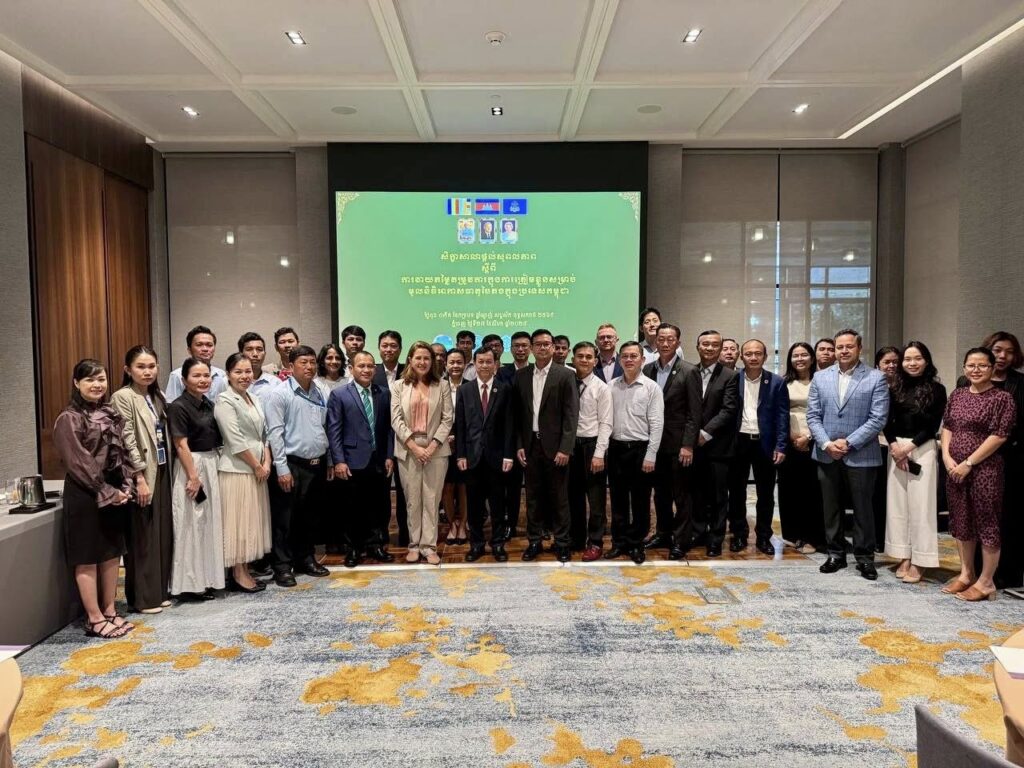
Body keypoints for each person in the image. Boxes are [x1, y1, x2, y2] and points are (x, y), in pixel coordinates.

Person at [53, 359, 134, 638]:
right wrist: (107, 491)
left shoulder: (108, 412)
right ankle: (94, 618)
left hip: (112, 490)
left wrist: (125, 484)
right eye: (89, 379)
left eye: (101, 379)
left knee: (111, 553)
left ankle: (109, 610)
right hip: (85, 492)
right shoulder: (69, 418)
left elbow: (120, 452)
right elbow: (79, 463)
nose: (97, 384)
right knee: (87, 556)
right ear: (76, 383)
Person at [807, 329, 890, 581]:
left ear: (859, 348)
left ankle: (865, 558)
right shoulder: (820, 377)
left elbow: (878, 418)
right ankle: (835, 553)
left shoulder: (876, 377)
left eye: (849, 346)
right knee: (831, 507)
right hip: (827, 453)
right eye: (839, 347)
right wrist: (826, 443)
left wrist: (849, 443)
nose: (843, 351)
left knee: (863, 508)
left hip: (861, 454)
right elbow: (813, 415)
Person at [941, 347, 1016, 601]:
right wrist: (947, 457)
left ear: (992, 368)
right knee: (961, 520)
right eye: (971, 365)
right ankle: (966, 574)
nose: (976, 370)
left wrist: (969, 462)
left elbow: (1000, 435)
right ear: (964, 368)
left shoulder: (1002, 398)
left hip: (985, 470)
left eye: (982, 365)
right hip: (954, 469)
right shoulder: (958, 394)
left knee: (986, 523)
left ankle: (986, 582)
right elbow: (948, 426)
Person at [110, 346, 173, 614]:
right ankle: (143, 598)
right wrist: (138, 477)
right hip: (143, 474)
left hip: (162, 469)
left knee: (161, 533)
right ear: (128, 370)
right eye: (141, 367)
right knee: (143, 535)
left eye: (151, 366)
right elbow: (127, 439)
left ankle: (159, 592)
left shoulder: (157, 395)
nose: (147, 372)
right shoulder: (123, 397)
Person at [960, 332, 1024, 588]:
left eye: (1009, 351)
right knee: (971, 517)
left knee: (1007, 517)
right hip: (972, 461)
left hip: (1011, 459)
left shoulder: (1019, 384)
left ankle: (1004, 574)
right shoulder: (965, 384)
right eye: (998, 350)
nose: (1003, 356)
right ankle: (973, 572)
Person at [265, 345, 332, 587]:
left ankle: (306, 558)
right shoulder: (280, 394)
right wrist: (281, 468)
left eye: (312, 362)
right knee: (284, 518)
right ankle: (282, 566)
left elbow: (325, 428)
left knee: (309, 516)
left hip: (317, 464)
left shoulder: (321, 391)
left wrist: (329, 460)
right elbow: (275, 434)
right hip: (291, 464)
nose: (309, 367)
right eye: (304, 362)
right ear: (291, 366)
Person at [513, 329, 580, 562]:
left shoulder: (566, 375)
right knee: (533, 497)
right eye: (538, 344)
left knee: (559, 498)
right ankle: (534, 541)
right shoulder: (522, 376)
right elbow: (518, 416)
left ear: (553, 347)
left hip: (556, 448)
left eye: (547, 344)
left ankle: (562, 542)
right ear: (531, 348)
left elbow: (571, 415)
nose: (542, 348)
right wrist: (519, 444)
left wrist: (565, 448)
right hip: (530, 446)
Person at [883, 341, 946, 584]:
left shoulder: (937, 389)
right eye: (907, 359)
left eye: (917, 358)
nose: (912, 363)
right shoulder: (894, 387)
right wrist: (894, 447)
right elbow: (886, 421)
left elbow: (932, 426)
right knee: (897, 505)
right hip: (896, 448)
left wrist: (908, 448)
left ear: (926, 361)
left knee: (922, 507)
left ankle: (921, 559)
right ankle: (903, 555)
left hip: (922, 448)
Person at [327, 350, 395, 568]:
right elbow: (334, 430)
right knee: (353, 507)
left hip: (378, 459)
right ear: (351, 369)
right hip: (352, 460)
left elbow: (388, 429)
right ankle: (354, 549)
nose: (366, 370)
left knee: (379, 505)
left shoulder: (383, 393)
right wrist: (338, 460)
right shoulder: (339, 394)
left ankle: (376, 545)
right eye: (361, 366)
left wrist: (389, 455)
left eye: (370, 366)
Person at [166, 357, 225, 599]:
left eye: (206, 376)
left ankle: (207, 579)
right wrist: (193, 476)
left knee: (207, 524)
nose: (203, 380)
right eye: (196, 376)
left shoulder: (208, 403)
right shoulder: (178, 406)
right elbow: (180, 444)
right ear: (184, 380)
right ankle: (189, 585)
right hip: (192, 465)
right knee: (190, 523)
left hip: (210, 463)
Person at [213, 352, 272, 593]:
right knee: (238, 524)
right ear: (228, 374)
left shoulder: (253, 398)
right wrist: (256, 465)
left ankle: (245, 568)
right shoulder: (224, 400)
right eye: (238, 372)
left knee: (250, 523)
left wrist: (267, 461)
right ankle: (238, 573)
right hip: (237, 470)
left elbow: (264, 434)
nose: (244, 376)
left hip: (257, 470)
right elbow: (234, 439)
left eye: (247, 371)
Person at [391, 341, 454, 564]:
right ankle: (414, 545)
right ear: (410, 360)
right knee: (412, 501)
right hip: (408, 448)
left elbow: (447, 419)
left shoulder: (442, 385)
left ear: (432, 361)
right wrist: (415, 447)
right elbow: (396, 419)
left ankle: (429, 546)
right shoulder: (399, 386)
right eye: (418, 357)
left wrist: (432, 446)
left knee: (431, 499)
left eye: (427, 358)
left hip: (436, 449)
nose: (422, 362)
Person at [641, 323, 698, 558]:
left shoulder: (689, 371)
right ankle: (663, 533)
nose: (665, 343)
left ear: (678, 342)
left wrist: (688, 445)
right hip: (654, 444)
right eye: (661, 339)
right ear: (655, 342)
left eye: (670, 339)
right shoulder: (647, 369)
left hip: (678, 445)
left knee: (681, 495)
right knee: (660, 493)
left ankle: (681, 540)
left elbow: (694, 413)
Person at [727, 339, 789, 555]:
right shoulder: (733, 379)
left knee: (765, 493)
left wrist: (781, 446)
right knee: (736, 492)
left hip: (766, 444)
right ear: (741, 356)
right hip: (739, 442)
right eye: (748, 354)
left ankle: (764, 536)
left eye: (758, 353)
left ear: (765, 356)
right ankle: (739, 534)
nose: (753, 357)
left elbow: (782, 417)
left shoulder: (776, 382)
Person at [604, 341, 664, 564]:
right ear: (620, 360)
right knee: (617, 499)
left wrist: (651, 455)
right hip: (616, 449)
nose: (629, 360)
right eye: (625, 356)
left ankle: (636, 543)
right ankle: (619, 542)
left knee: (640, 500)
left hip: (640, 450)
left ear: (642, 359)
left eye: (633, 356)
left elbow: (657, 424)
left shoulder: (651, 388)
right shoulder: (611, 386)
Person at [456, 346, 515, 562]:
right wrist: (461, 455)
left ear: (495, 365)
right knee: (474, 506)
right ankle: (477, 544)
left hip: (497, 457)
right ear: (474, 364)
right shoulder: (465, 390)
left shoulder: (505, 389)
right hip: (472, 457)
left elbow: (510, 425)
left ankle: (498, 544)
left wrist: (508, 455)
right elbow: (460, 425)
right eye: (480, 362)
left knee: (498, 505)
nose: (484, 366)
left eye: (489, 362)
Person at [687, 330, 739, 557]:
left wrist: (706, 432)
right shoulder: (689, 371)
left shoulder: (730, 375)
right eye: (705, 344)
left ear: (720, 348)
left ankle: (716, 539)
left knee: (718, 496)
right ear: (697, 347)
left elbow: (729, 409)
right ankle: (698, 532)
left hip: (718, 446)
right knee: (696, 493)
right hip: (692, 445)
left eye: (714, 345)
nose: (709, 348)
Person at [777, 342, 825, 554]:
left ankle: (811, 537)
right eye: (795, 355)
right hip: (788, 440)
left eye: (804, 355)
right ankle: (792, 534)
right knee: (789, 489)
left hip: (816, 440)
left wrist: (808, 437)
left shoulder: (821, 381)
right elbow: (779, 412)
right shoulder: (783, 382)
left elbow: (826, 412)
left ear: (812, 358)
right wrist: (791, 436)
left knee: (812, 491)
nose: (800, 359)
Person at [569, 341, 612, 561]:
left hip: (592, 446)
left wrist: (599, 453)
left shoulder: (601, 388)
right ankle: (576, 538)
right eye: (580, 356)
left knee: (595, 500)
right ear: (573, 359)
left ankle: (595, 542)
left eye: (588, 357)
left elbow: (606, 423)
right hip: (570, 446)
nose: (584, 360)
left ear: (595, 361)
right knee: (573, 496)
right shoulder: (567, 382)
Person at [375, 330, 408, 546]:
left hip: (406, 440)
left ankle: (406, 533)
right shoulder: (371, 371)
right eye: (385, 345)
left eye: (393, 346)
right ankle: (380, 533)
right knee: (381, 491)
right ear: (379, 348)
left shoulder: (409, 371)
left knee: (405, 491)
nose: (389, 349)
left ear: (400, 349)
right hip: (380, 442)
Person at [500, 331, 532, 535]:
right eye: (516, 346)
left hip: (534, 436)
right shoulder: (502, 373)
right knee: (510, 485)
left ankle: (538, 525)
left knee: (536, 486)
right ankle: (510, 524)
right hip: (509, 437)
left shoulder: (537, 371)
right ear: (510, 349)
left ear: (530, 348)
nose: (520, 349)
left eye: (524, 346)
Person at [872, 345, 902, 549]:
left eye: (895, 362)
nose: (892, 366)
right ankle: (878, 538)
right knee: (878, 494)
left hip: (902, 446)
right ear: (878, 365)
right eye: (887, 362)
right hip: (878, 445)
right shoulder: (872, 385)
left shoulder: (905, 388)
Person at [442, 349, 469, 545]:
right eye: (451, 362)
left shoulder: (471, 387)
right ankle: (452, 524)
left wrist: (458, 437)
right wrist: (444, 437)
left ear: (465, 364)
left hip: (465, 444)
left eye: (459, 362)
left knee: (463, 486)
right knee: (447, 486)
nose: (455, 366)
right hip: (442, 444)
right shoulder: (438, 386)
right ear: (445, 364)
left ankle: (463, 525)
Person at [165, 325, 227, 401]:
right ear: (189, 350)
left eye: (209, 345)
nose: (205, 349)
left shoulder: (221, 374)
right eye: (199, 345)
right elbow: (172, 404)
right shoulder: (177, 375)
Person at [237, 332, 280, 400]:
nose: (255, 354)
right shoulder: (230, 382)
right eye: (249, 349)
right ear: (240, 353)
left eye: (259, 349)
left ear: (264, 354)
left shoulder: (275, 383)